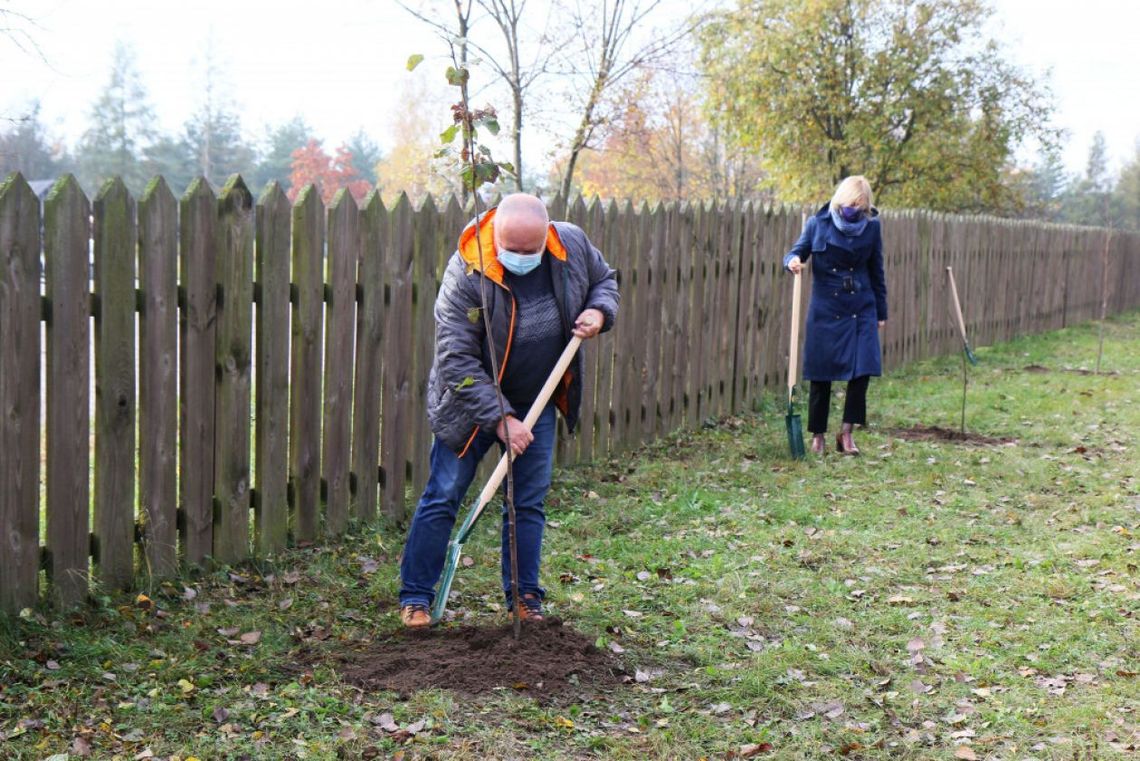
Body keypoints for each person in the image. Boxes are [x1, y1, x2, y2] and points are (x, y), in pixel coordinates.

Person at [398, 193, 619, 628]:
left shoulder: (569, 244)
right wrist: (500, 419)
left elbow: (604, 279)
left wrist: (599, 310)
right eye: (511, 251)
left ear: (547, 236)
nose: (520, 259)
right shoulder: (467, 270)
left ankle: (524, 598)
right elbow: (456, 360)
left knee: (527, 503)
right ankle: (416, 598)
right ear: (496, 233)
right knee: (443, 496)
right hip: (470, 405)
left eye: (529, 252)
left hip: (537, 402)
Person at [783, 175, 887, 455]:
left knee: (862, 370)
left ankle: (847, 433)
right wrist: (792, 262)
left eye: (860, 205)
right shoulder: (818, 224)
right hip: (826, 310)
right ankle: (818, 436)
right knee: (821, 373)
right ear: (841, 200)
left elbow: (877, 271)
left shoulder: (872, 228)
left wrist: (881, 311)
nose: (855, 209)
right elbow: (796, 252)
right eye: (851, 203)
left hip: (860, 308)